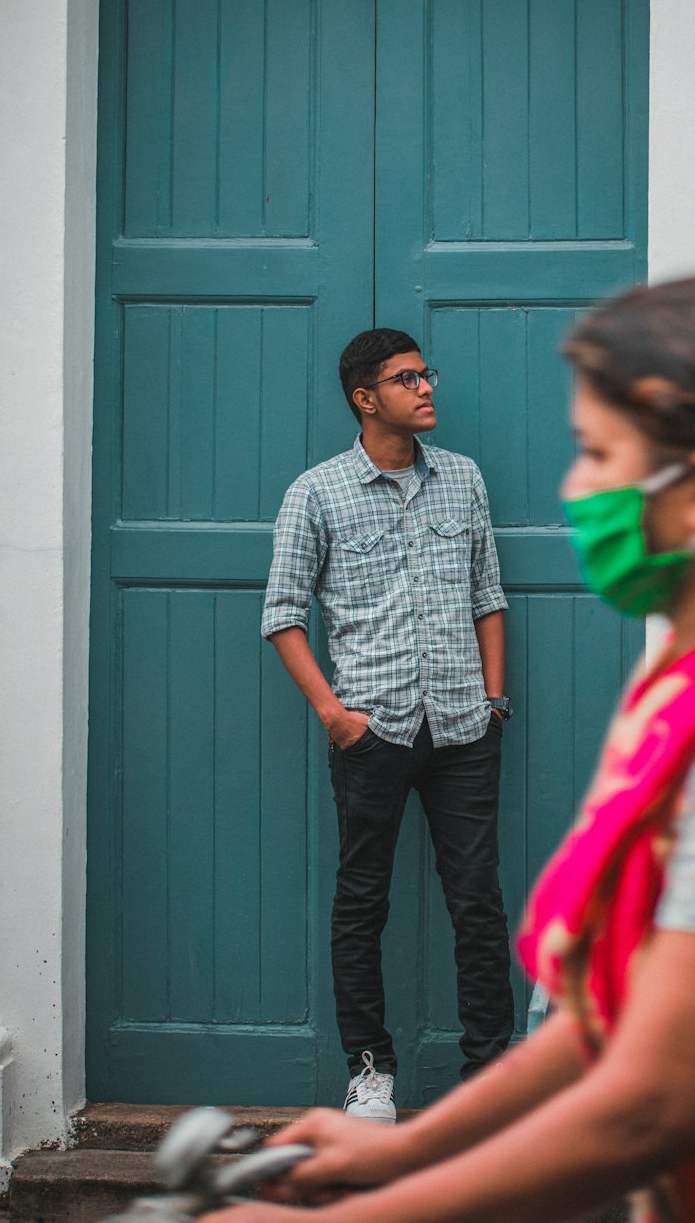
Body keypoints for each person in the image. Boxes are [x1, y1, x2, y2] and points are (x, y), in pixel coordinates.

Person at [226, 276, 695, 1221]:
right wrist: (412, 1143)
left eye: (596, 456)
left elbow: (648, 1107)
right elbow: (612, 1021)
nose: (574, 490)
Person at [261, 327, 514, 1124]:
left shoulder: (464, 480)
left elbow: (488, 596)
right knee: (361, 900)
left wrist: (494, 700)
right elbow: (280, 615)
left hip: (465, 730)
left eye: (426, 374)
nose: (427, 387)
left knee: (477, 901)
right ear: (366, 398)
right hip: (375, 733)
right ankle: (371, 1074)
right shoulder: (317, 492)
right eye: (408, 379)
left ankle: (490, 1080)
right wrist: (336, 717)